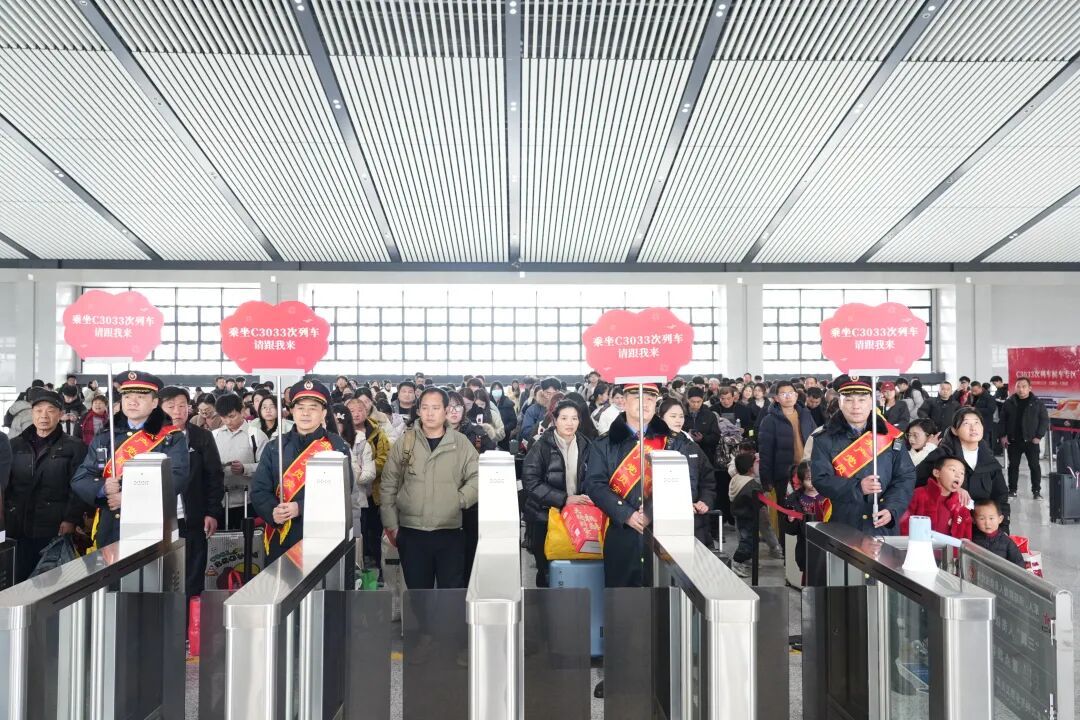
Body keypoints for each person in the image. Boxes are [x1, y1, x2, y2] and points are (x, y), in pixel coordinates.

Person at [581, 383, 699, 588]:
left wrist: (651, 511)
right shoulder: (604, 444)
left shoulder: (674, 442)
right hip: (621, 533)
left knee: (665, 598)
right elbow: (594, 484)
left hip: (665, 534)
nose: (645, 403)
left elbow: (688, 481)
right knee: (622, 598)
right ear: (623, 401)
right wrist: (627, 514)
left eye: (651, 398)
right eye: (637, 397)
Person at [71, 371, 189, 549]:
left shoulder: (171, 437)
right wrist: (102, 487)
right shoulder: (106, 436)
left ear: (154, 403)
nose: (132, 402)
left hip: (152, 528)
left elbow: (176, 479)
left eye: (140, 396)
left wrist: (128, 498)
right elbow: (81, 478)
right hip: (110, 528)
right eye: (127, 396)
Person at [380, 387, 479, 589]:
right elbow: (389, 483)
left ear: (446, 411)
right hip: (411, 532)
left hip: (450, 531)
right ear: (418, 411)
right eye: (425, 408)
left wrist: (459, 499)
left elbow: (477, 477)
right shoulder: (405, 442)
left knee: (450, 594)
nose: (430, 413)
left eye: (435, 408)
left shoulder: (461, 443)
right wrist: (392, 525)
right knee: (417, 594)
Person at [250, 380, 352, 562]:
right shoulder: (275, 447)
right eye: (300, 407)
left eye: (313, 408)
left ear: (324, 413)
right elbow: (259, 489)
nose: (305, 413)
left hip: (322, 535)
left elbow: (342, 492)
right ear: (292, 411)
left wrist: (301, 507)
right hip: (281, 535)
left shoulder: (336, 446)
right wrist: (272, 511)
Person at [810, 375, 915, 536]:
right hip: (844, 523)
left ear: (871, 402)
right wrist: (857, 488)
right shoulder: (824, 439)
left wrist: (892, 508)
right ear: (840, 403)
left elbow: (905, 475)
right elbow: (821, 479)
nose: (856, 406)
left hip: (882, 525)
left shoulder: (891, 436)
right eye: (849, 400)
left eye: (862, 399)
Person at [5, 388, 87, 582]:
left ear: (60, 414)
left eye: (50, 410)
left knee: (50, 582)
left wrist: (71, 519)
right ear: (31, 413)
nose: (44, 415)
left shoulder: (74, 447)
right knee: (16, 581)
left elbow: (78, 488)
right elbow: (5, 486)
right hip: (17, 526)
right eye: (39, 410)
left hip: (54, 527)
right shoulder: (14, 445)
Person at [159, 386, 225, 598]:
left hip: (192, 518)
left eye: (182, 406)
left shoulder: (201, 437)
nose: (177, 411)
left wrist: (212, 512)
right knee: (160, 578)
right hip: (158, 520)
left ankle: (189, 616)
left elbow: (214, 476)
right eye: (170, 406)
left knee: (192, 577)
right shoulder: (148, 438)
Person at [521, 399, 592, 587]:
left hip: (576, 515)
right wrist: (564, 499)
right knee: (546, 569)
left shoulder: (586, 445)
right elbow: (530, 482)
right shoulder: (541, 446)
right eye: (564, 418)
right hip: (544, 516)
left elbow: (594, 477)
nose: (570, 423)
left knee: (572, 566)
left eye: (574, 418)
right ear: (555, 420)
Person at [915, 408, 1010, 533]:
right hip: (947, 528)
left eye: (976, 423)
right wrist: (950, 487)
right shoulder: (941, 456)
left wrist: (1003, 529)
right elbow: (916, 481)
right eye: (966, 423)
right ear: (954, 430)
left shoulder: (989, 460)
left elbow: (1000, 497)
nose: (973, 428)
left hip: (981, 529)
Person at [659, 397, 717, 545]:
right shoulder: (653, 446)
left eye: (681, 416)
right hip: (663, 520)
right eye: (673, 416)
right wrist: (680, 505)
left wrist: (705, 500)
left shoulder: (692, 446)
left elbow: (708, 479)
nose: (678, 420)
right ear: (661, 418)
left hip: (695, 521)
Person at [757, 381, 815, 507]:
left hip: (808, 471)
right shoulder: (769, 420)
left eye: (791, 393)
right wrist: (767, 481)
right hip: (784, 475)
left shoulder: (805, 415)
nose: (788, 397)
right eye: (783, 394)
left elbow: (816, 440)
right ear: (776, 398)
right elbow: (765, 453)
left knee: (810, 509)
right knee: (788, 510)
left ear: (796, 395)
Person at [900, 456, 972, 540]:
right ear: (936, 473)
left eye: (962, 473)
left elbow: (966, 536)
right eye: (953, 470)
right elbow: (903, 525)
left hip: (950, 548)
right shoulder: (918, 494)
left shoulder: (962, 502)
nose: (958, 475)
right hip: (919, 546)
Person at [1001, 377, 1049, 499]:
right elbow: (1003, 421)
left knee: (1034, 466)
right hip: (1014, 440)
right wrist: (1002, 436)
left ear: (1029, 388)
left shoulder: (1037, 403)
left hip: (1031, 441)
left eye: (1024, 387)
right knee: (1013, 466)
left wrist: (1039, 436)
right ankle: (1012, 490)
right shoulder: (1009, 402)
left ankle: (1036, 491)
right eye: (1018, 387)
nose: (1021, 389)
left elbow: (1044, 420)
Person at [779, 461, 831, 574]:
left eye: (815, 478)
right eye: (809, 479)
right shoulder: (794, 499)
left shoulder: (830, 497)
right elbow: (790, 530)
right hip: (805, 549)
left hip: (828, 548)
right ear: (802, 479)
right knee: (809, 576)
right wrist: (790, 520)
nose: (812, 482)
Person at [728, 452, 763, 578]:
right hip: (748, 516)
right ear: (750, 468)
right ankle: (736, 562)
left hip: (739, 515)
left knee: (746, 539)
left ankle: (745, 560)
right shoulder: (751, 485)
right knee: (747, 542)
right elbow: (760, 500)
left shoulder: (735, 479)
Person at [971, 498, 1024, 567]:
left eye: (991, 518)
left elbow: (1019, 563)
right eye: (982, 518)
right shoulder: (971, 539)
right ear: (974, 520)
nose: (987, 523)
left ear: (1000, 519)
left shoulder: (1007, 542)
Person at [249, 395, 293, 463]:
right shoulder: (253, 427)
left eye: (272, 407)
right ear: (260, 410)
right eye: (264, 407)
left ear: (279, 409)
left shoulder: (288, 427)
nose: (268, 410)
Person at [683, 387, 721, 464]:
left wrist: (703, 438)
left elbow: (716, 436)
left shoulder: (710, 415)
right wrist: (687, 435)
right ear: (688, 400)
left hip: (705, 455)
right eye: (692, 401)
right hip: (685, 453)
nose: (695, 404)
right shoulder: (681, 414)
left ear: (702, 400)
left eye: (698, 401)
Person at [520, 376, 563, 442]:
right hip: (539, 445)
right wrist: (542, 427)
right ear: (542, 392)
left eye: (555, 393)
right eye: (548, 393)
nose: (552, 396)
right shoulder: (533, 410)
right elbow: (525, 432)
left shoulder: (565, 408)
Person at [489, 382, 518, 451]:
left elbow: (513, 422)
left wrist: (503, 429)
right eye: (494, 389)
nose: (497, 390)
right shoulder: (487, 403)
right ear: (491, 391)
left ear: (502, 390)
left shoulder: (508, 404)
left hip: (504, 437)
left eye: (498, 388)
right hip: (489, 438)